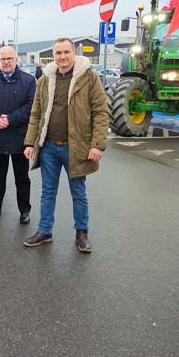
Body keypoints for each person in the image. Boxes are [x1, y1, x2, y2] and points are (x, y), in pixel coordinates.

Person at [22, 38, 108, 252]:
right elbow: (36, 114)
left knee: (78, 192)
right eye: (58, 52)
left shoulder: (89, 78)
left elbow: (100, 112)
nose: (62, 56)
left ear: (74, 52)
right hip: (49, 147)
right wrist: (30, 142)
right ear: (54, 55)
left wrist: (97, 144)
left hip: (75, 147)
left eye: (66, 52)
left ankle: (82, 233)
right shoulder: (45, 80)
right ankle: (45, 231)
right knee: (47, 191)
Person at [0, 46, 36, 224]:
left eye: (10, 58)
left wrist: (10, 119)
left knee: (22, 178)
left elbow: (31, 106)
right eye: (3, 59)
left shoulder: (28, 81)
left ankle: (24, 211)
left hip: (20, 137)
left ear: (16, 60)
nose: (6, 62)